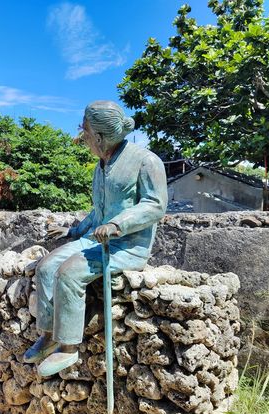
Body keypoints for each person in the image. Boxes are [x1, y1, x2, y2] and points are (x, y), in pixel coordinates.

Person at [24, 100, 168, 376]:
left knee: (69, 272)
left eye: (86, 131)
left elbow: (155, 205)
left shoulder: (146, 161)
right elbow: (98, 212)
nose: (82, 136)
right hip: (96, 238)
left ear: (100, 137)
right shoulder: (101, 166)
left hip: (127, 244)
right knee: (47, 266)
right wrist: (74, 230)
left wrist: (118, 224)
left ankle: (68, 348)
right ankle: (49, 333)